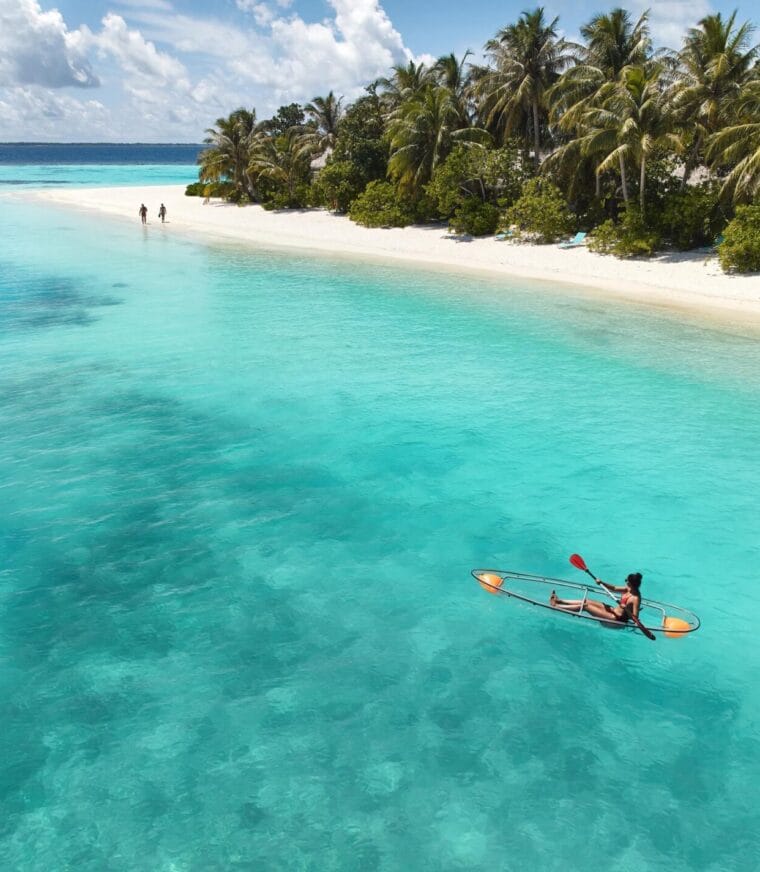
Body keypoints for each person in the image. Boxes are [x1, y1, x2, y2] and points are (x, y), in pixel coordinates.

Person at [550, 572, 643, 624]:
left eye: (626, 580)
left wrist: (626, 608)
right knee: (587, 600)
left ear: (630, 583)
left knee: (586, 606)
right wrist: (602, 582)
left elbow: (635, 619)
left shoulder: (636, 598)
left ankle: (557, 607)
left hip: (616, 618)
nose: (625, 581)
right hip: (613, 610)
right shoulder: (628, 589)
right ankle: (559, 601)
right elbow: (613, 588)